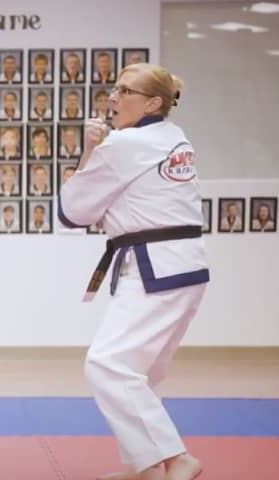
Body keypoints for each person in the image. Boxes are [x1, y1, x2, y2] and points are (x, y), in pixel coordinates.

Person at [58, 63, 208, 480]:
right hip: (185, 268)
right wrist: (99, 149)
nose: (113, 98)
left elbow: (73, 211)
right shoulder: (175, 137)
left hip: (154, 269)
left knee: (107, 365)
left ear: (153, 102)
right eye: (115, 89)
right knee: (137, 373)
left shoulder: (124, 145)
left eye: (125, 91)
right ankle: (148, 467)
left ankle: (176, 458)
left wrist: (91, 149)